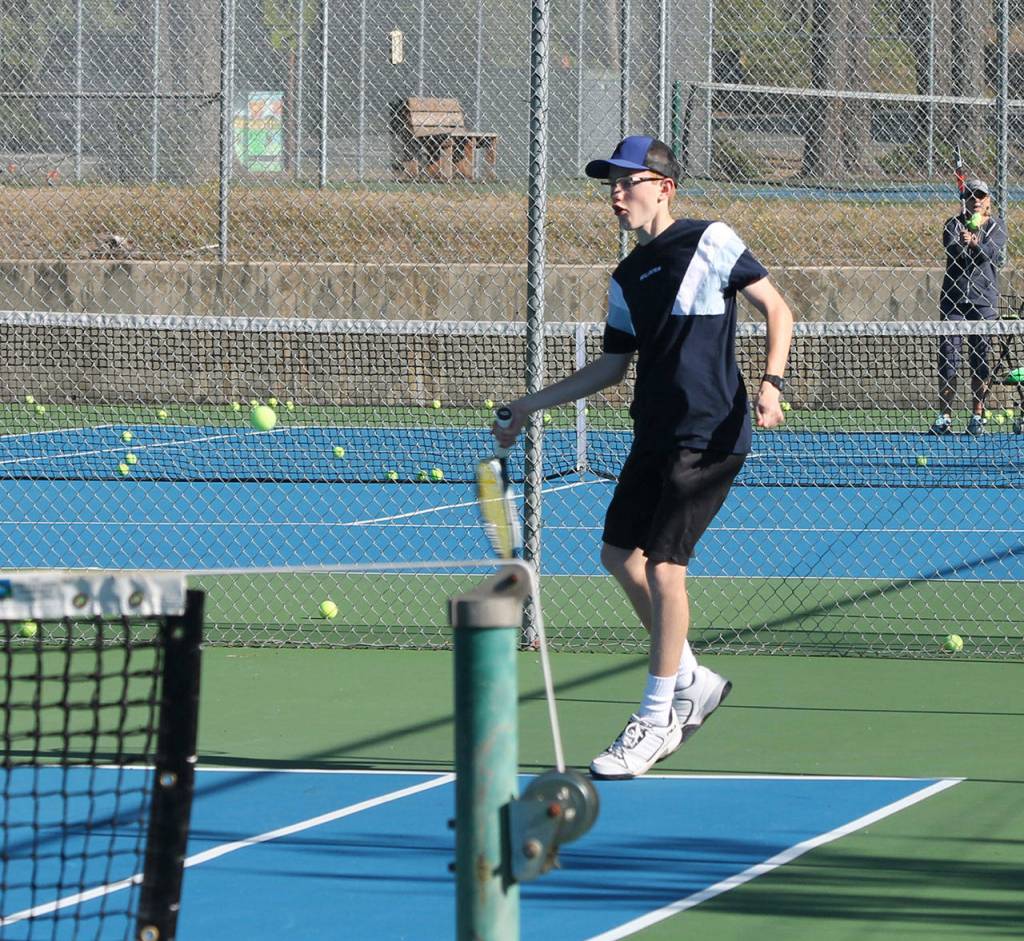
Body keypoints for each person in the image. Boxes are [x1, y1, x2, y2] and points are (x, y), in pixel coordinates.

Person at [493, 136, 793, 779]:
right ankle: (690, 678)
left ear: (665, 186)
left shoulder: (710, 239)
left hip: (710, 433)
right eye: (610, 185)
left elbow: (777, 307)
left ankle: (658, 717)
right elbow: (610, 367)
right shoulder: (627, 278)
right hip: (652, 433)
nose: (616, 195)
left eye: (628, 182)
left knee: (663, 569)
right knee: (617, 556)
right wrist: (528, 404)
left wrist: (773, 383)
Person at [932, 178, 1008, 436]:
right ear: (964, 200)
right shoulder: (953, 224)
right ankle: (944, 416)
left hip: (983, 301)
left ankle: (978, 415)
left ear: (988, 201)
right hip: (953, 300)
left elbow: (991, 253)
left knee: (980, 360)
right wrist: (963, 241)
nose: (976, 200)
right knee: (948, 359)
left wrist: (975, 243)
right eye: (971, 196)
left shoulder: (998, 226)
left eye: (981, 196)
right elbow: (953, 250)